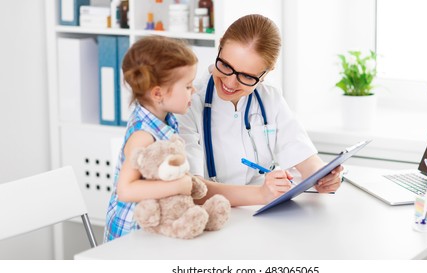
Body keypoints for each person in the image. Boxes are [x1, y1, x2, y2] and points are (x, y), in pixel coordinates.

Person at [177, 14, 344, 206]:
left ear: (267, 72)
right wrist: (260, 194)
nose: (230, 83)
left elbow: (303, 155)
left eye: (247, 77)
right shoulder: (186, 101)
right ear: (220, 45)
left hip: (263, 216)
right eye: (225, 66)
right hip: (211, 217)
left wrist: (323, 177)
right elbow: (191, 188)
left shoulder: (269, 98)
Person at [104, 36, 198, 242]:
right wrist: (178, 186)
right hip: (132, 236)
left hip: (154, 227)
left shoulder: (163, 120)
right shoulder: (143, 136)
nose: (194, 91)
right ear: (158, 93)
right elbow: (126, 190)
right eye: (188, 86)